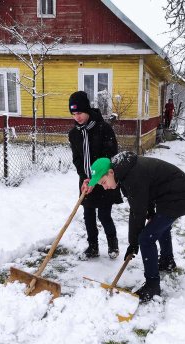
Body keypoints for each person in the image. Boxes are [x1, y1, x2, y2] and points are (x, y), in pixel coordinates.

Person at [83, 152, 185, 302]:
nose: (104, 187)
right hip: (172, 195)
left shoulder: (132, 176)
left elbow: (137, 211)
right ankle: (167, 261)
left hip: (180, 197)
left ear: (111, 172)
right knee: (159, 226)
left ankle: (152, 285)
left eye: (104, 182)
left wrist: (134, 243)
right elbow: (146, 192)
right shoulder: (125, 170)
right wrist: (150, 213)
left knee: (145, 238)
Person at [68, 91, 123, 259]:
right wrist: (84, 176)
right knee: (88, 215)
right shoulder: (74, 134)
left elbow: (110, 155)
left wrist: (96, 177)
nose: (77, 117)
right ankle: (93, 246)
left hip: (104, 180)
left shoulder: (103, 128)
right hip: (85, 181)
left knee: (104, 215)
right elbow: (77, 158)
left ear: (88, 110)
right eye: (74, 114)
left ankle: (113, 244)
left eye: (80, 113)